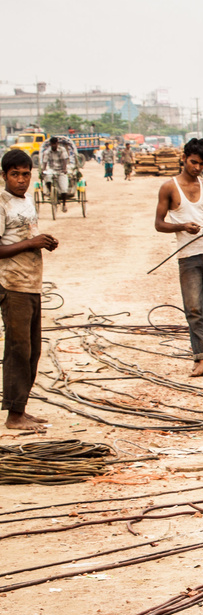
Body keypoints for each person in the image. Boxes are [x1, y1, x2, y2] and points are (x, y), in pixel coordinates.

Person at [155, 138, 203, 377]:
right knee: (194, 308)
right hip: (188, 256)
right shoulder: (169, 187)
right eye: (194, 162)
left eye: (202, 164)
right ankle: (201, 358)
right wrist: (183, 226)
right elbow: (158, 224)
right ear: (184, 158)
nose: (197, 168)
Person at [0, 148, 57, 431]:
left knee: (32, 349)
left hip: (31, 282)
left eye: (25, 174)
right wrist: (31, 244)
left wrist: (43, 241)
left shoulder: (27, 200)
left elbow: (25, 236)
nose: (21, 180)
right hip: (12, 284)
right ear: (4, 175)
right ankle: (13, 416)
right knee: (18, 348)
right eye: (15, 175)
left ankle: (21, 407)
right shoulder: (1, 202)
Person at [40, 138, 74, 203]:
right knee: (47, 177)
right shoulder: (47, 151)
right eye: (52, 144)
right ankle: (50, 192)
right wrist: (43, 169)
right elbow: (45, 161)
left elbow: (65, 160)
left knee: (64, 188)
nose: (53, 145)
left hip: (61, 169)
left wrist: (64, 169)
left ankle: (64, 204)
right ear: (50, 144)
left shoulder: (62, 150)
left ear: (57, 143)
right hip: (52, 169)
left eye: (55, 144)